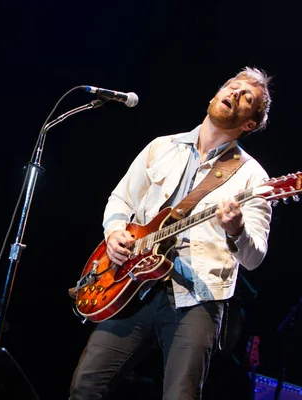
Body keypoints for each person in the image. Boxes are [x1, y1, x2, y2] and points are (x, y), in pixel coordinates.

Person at [69, 67, 273, 399]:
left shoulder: (254, 178)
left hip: (196, 301)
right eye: (231, 87)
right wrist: (115, 232)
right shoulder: (162, 147)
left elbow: (254, 258)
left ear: (249, 123)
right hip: (132, 285)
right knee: (85, 385)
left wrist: (236, 229)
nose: (235, 93)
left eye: (247, 96)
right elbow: (121, 199)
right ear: (214, 97)